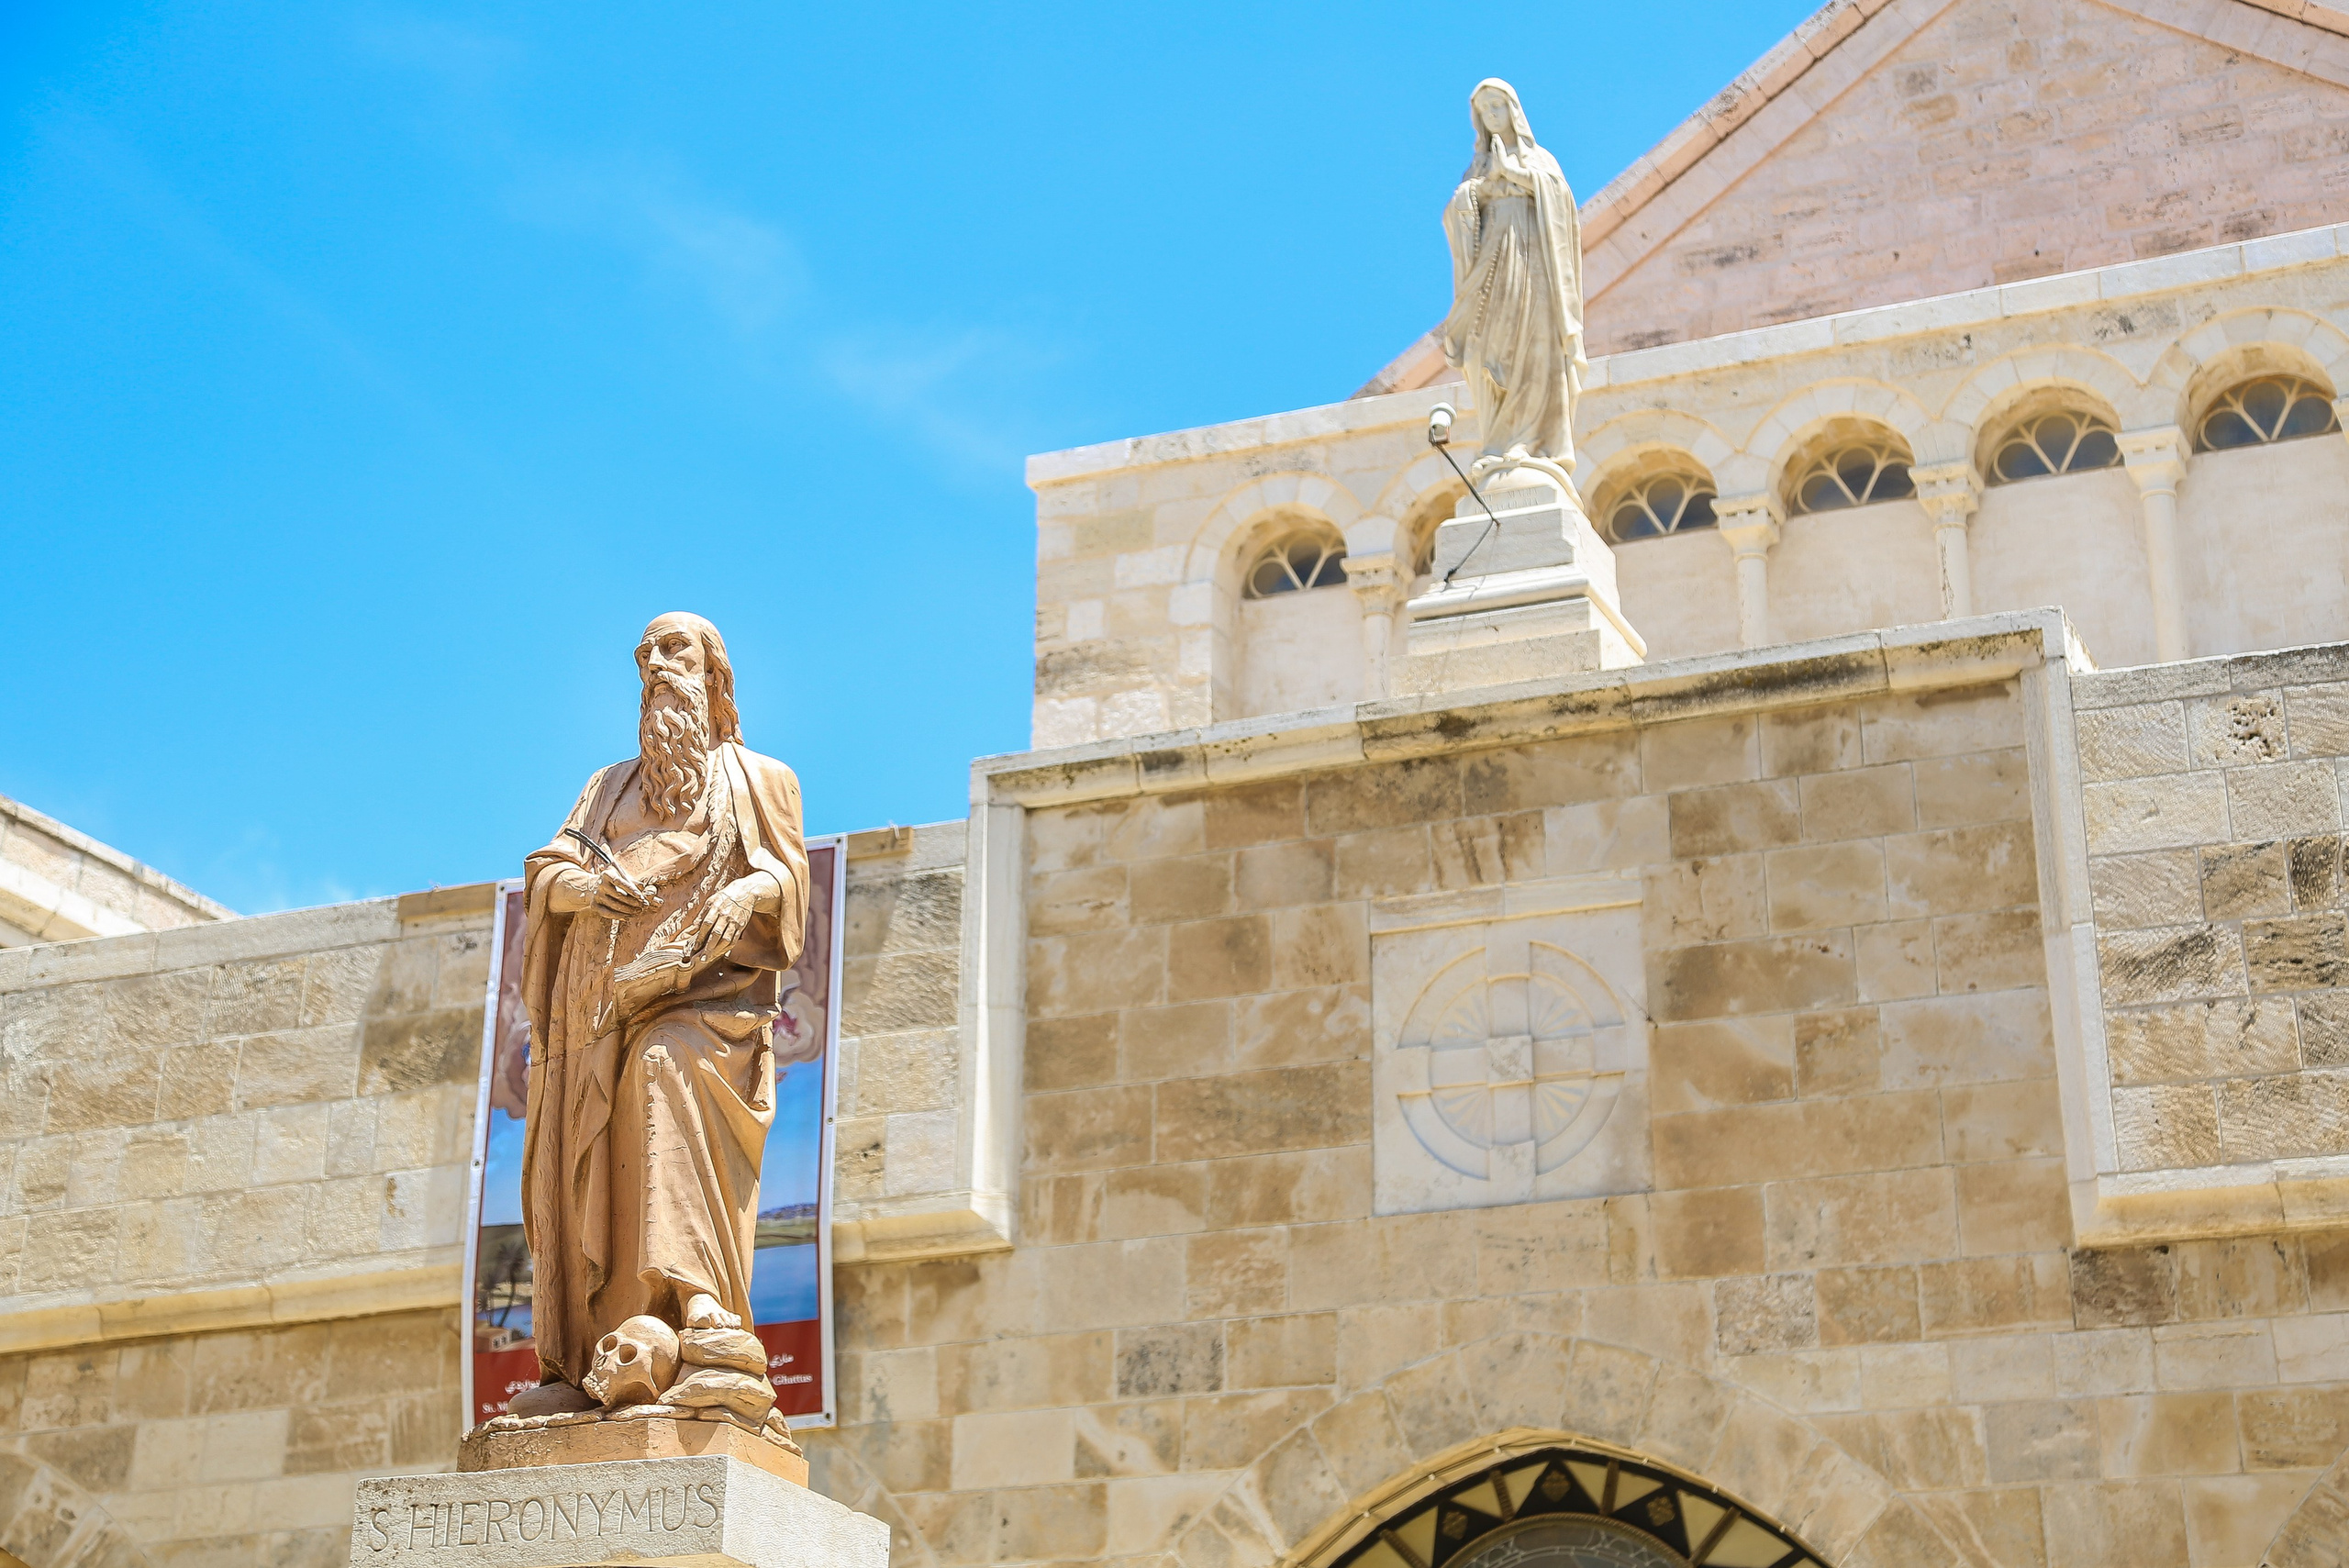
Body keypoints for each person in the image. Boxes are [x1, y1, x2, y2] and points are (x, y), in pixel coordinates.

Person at [514, 611, 808, 1409]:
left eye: (672, 648)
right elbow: (547, 871)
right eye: (643, 653)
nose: (652, 662)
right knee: (591, 1138)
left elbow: (791, 888)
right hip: (595, 1012)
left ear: (715, 675)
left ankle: (698, 1301)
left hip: (707, 1012)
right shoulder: (606, 787)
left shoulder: (761, 778)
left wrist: (750, 886)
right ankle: (597, 1352)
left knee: (661, 1063)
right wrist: (587, 887)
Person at [1440, 79, 1586, 471]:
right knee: (1479, 354)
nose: (1491, 115)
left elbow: (1561, 203)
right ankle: (1497, 438)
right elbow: (1458, 213)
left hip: (1531, 258)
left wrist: (1517, 176)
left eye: (1497, 106)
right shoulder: (1476, 167)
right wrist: (1474, 195)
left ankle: (1530, 440)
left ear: (1514, 111)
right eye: (1484, 109)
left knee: (1534, 348)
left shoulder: (1541, 160)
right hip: (1491, 261)